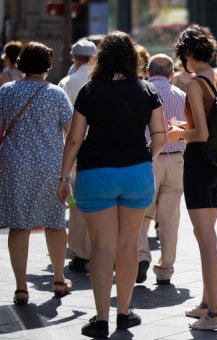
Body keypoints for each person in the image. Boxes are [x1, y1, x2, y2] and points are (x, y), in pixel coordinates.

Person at [57, 31, 165, 338]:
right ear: (133, 58)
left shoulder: (90, 90)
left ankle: (101, 318)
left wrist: (63, 176)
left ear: (101, 57)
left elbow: (75, 138)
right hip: (136, 173)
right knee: (128, 245)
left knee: (102, 248)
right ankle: (124, 313)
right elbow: (160, 136)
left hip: (95, 173)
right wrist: (146, 158)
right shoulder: (146, 89)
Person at [167, 24, 217, 330]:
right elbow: (212, 124)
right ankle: (207, 303)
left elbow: (200, 133)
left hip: (199, 164)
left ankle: (215, 314)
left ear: (188, 53)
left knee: (206, 239)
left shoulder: (194, 83)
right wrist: (188, 124)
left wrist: (179, 132)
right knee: (208, 235)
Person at [0, 41, 73, 306]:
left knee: (19, 225)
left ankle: (21, 288)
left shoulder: (6, 92)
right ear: (48, 67)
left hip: (14, 165)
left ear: (20, 65)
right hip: (50, 167)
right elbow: (71, 131)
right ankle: (58, 279)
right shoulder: (56, 94)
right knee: (54, 221)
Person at [136, 54, 187, 285]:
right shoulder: (182, 96)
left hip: (148, 158)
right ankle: (166, 268)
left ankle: (140, 256)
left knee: (141, 213)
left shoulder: (142, 92)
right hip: (176, 159)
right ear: (171, 74)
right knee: (169, 218)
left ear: (147, 71)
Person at [58, 38, 97, 273]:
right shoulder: (103, 79)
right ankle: (96, 248)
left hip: (74, 147)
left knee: (76, 202)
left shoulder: (68, 82)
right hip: (100, 148)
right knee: (98, 201)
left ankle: (78, 252)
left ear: (74, 58)